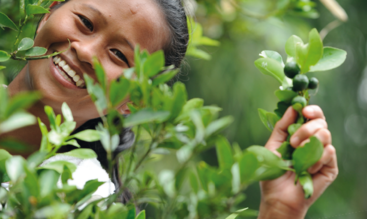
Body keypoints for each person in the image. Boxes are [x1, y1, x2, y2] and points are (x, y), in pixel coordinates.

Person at [1, 0, 338, 218]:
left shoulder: (86, 199)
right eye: (85, 23)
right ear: (48, 11)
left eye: (119, 55)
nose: (87, 52)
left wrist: (279, 212)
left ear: (136, 100)